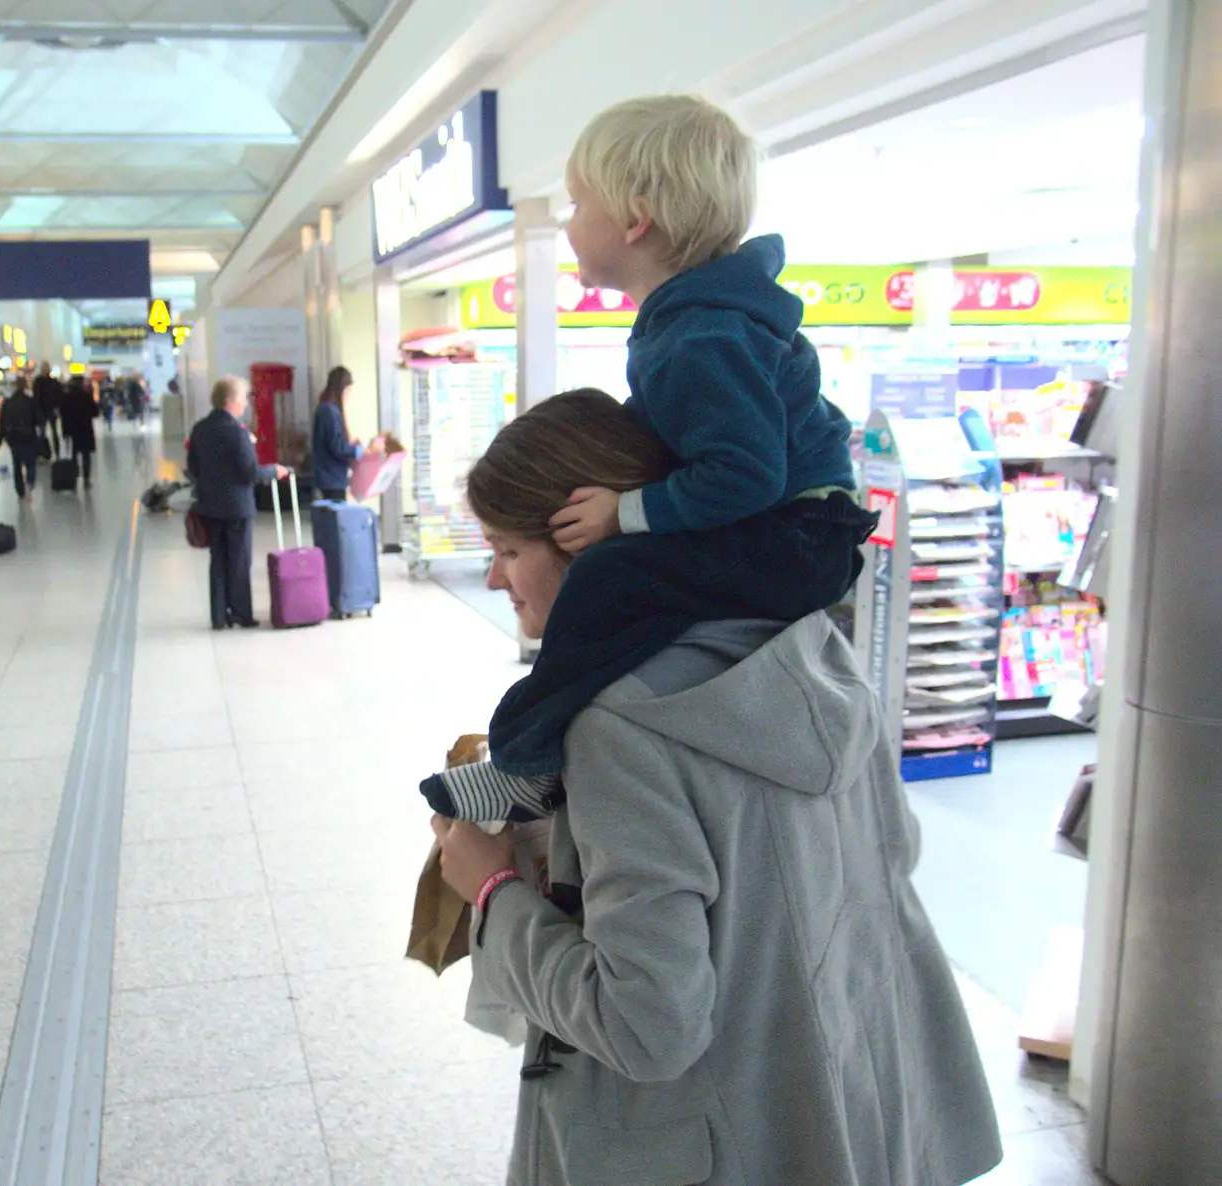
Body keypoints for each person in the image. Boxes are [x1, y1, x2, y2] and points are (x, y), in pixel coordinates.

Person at [427, 390, 1002, 1186]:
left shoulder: (618, 728)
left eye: (506, 549)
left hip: (703, 1142)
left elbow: (647, 1024)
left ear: (581, 543)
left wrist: (491, 890)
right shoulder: (810, 649)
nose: (493, 578)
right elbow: (890, 858)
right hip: (841, 1108)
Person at [422, 94, 875, 820]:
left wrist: (624, 511)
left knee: (606, 577)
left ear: (636, 218)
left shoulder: (701, 335)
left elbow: (747, 473)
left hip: (795, 537)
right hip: (799, 532)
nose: (566, 225)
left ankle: (525, 762)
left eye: (575, 204)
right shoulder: (699, 319)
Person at [188, 375, 289, 631]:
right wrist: (274, 471)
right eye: (243, 399)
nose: (246, 404)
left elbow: (192, 468)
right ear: (230, 400)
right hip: (237, 508)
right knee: (239, 561)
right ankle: (242, 613)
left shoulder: (200, 429)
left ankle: (219, 615)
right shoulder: (236, 432)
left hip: (210, 505)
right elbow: (250, 472)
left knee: (218, 560)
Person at [311, 366, 384, 501]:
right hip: (331, 477)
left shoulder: (326, 409)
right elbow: (337, 446)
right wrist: (362, 450)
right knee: (335, 516)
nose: (348, 395)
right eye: (348, 390)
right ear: (342, 389)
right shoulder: (329, 411)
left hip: (331, 476)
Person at [0, 377, 45, 498]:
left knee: (17, 464)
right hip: (28, 435)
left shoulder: (8, 403)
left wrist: (0, 439)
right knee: (30, 463)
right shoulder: (30, 401)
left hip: (13, 437)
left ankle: (20, 490)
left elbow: (2, 421)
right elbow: (38, 418)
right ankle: (29, 483)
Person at [60, 373, 98, 490]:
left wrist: (65, 432)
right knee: (86, 455)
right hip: (85, 429)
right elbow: (95, 412)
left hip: (73, 430)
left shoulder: (66, 398)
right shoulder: (86, 396)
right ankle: (86, 479)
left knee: (74, 455)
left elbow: (64, 416)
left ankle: (74, 480)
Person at [34, 362, 65, 454]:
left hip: (47, 409)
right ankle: (45, 452)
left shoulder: (41, 382)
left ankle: (52, 452)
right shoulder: (51, 382)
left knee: (50, 432)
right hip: (45, 410)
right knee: (44, 432)